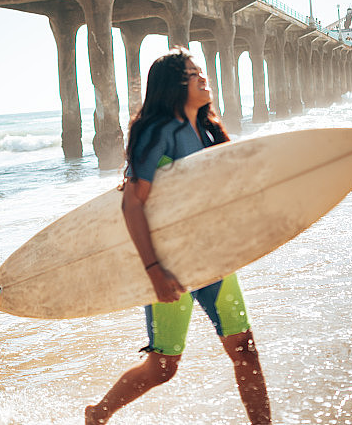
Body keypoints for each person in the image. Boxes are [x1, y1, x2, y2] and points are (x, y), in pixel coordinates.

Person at [86, 47, 272, 425]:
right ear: (175, 84)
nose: (204, 78)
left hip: (212, 258)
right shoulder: (158, 133)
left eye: (202, 71)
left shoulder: (206, 130)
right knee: (164, 367)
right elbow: (132, 205)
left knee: (245, 350)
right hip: (170, 261)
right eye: (194, 73)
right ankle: (98, 414)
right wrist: (154, 270)